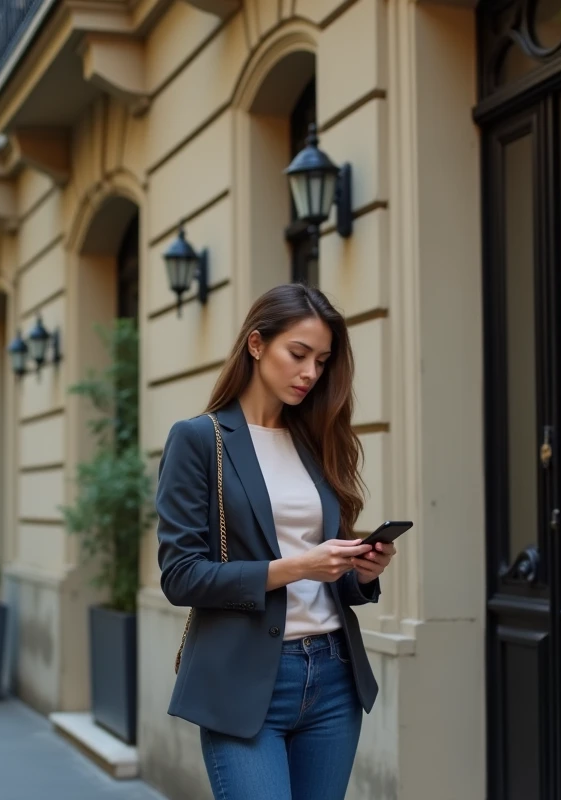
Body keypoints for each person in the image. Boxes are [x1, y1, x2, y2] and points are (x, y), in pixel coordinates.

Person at [156, 284, 398, 800]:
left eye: (323, 360)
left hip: (333, 676)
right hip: (245, 683)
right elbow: (180, 576)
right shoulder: (199, 439)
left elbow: (323, 574)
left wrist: (360, 574)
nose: (311, 372)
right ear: (257, 344)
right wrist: (297, 566)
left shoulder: (315, 439)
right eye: (299, 354)